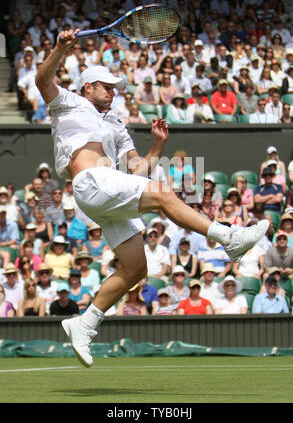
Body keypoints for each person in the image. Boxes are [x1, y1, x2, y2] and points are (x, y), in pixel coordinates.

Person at [35, 28, 269, 367]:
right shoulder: (68, 102)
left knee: (135, 267)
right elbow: (44, 79)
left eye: (115, 88)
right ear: (88, 87)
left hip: (107, 185)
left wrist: (158, 145)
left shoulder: (116, 124)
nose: (113, 92)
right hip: (89, 181)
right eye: (107, 86)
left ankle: (84, 324)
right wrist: (58, 49)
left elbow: (138, 172)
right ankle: (227, 237)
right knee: (162, 194)